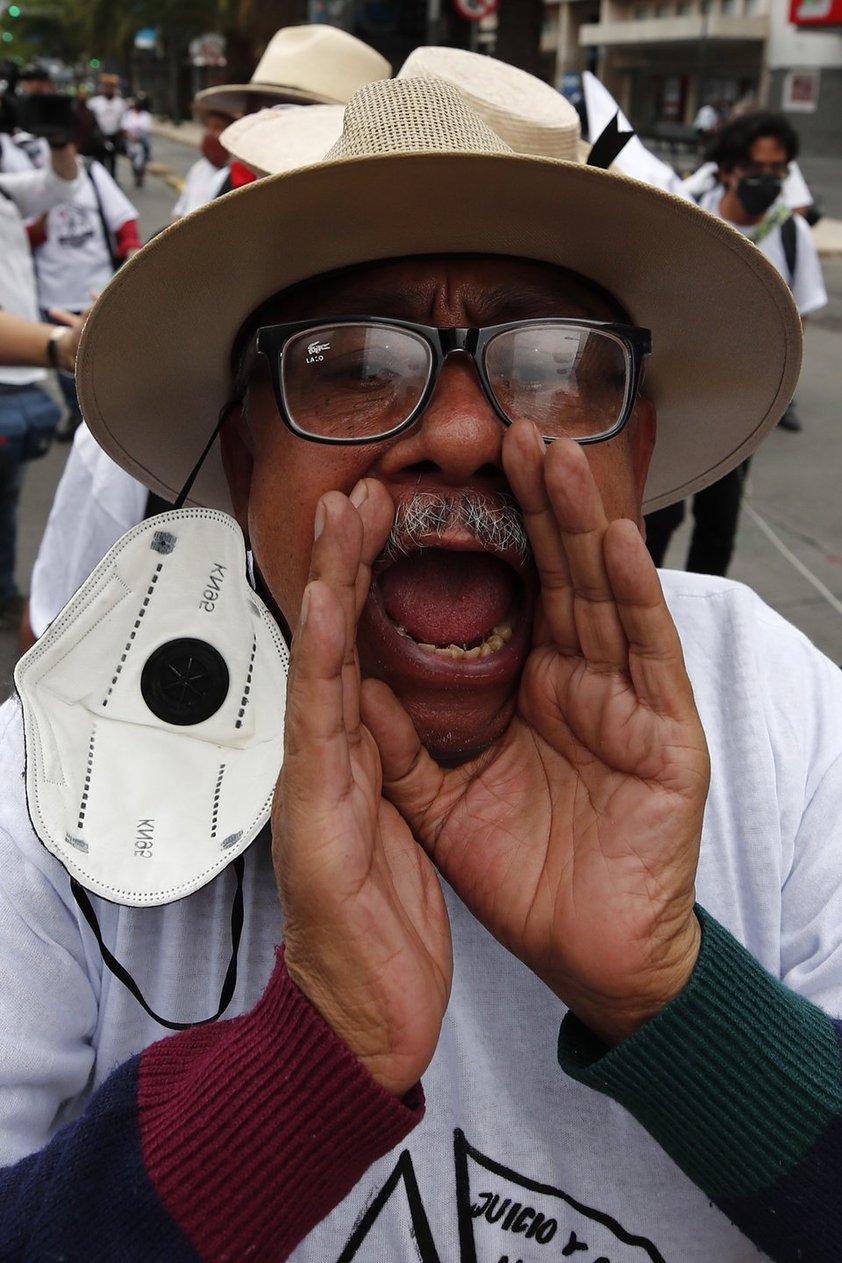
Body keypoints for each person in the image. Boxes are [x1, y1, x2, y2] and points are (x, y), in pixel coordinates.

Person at [2, 70, 841, 1263]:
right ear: (243, 461)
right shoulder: (59, 776)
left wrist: (675, 996)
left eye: (552, 360)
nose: (457, 432)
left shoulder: (774, 707)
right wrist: (308, 1058)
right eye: (347, 362)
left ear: (637, 447)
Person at [645, 108, 828, 573]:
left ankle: (707, 608)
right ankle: (653, 598)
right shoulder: (690, 216)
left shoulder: (791, 233)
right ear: (727, 170)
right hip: (673, 398)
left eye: (777, 171)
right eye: (755, 170)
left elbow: (799, 315)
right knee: (659, 513)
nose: (767, 181)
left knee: (719, 518)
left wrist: (772, 391)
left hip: (742, 404)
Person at [0, 134, 80, 627]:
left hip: (24, 379)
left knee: (7, 496)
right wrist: (57, 346)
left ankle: (5, 589)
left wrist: (58, 132)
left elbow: (59, 183)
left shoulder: (7, 191)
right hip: (36, 356)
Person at [87, 73, 127, 177]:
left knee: (113, 161)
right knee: (100, 162)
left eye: (111, 87)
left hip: (114, 135)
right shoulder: (95, 102)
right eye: (107, 86)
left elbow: (123, 120)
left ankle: (112, 181)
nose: (109, 89)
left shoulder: (121, 103)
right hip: (99, 136)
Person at [121, 92, 152, 187]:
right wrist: (131, 136)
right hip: (131, 139)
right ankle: (136, 176)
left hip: (142, 139)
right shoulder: (128, 114)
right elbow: (125, 127)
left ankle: (142, 175)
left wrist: (139, 137)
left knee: (144, 155)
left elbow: (147, 128)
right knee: (133, 158)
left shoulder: (146, 115)